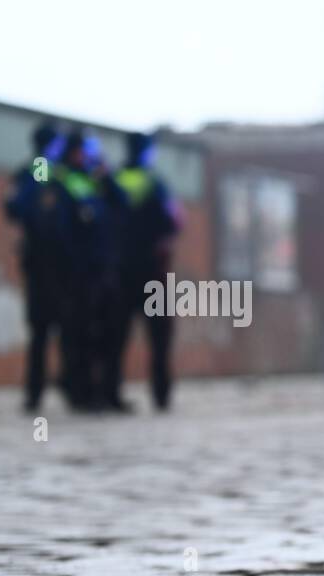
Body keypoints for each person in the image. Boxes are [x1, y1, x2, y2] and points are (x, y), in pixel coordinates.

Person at [110, 131, 180, 410]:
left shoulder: (113, 181)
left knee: (115, 337)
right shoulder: (155, 184)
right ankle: (161, 394)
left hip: (118, 270)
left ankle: (111, 392)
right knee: (160, 338)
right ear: (147, 152)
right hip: (152, 271)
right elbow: (174, 222)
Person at [53, 129, 120, 411]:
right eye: (83, 150)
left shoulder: (93, 180)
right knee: (77, 334)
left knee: (102, 334)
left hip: (100, 270)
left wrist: (106, 175)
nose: (87, 156)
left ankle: (101, 392)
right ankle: (79, 393)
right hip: (77, 273)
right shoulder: (60, 179)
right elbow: (62, 231)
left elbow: (120, 204)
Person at [2, 121, 63, 412]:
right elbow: (33, 206)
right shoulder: (42, 168)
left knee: (43, 329)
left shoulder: (36, 168)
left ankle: (41, 390)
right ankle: (46, 389)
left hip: (43, 259)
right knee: (48, 328)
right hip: (48, 260)